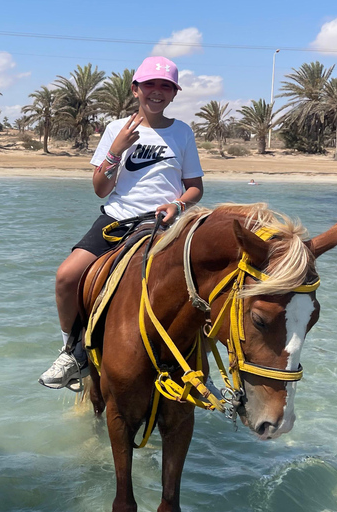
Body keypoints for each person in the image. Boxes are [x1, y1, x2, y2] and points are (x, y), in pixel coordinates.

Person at [39, 56, 204, 390]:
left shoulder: (182, 132)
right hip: (117, 220)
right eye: (150, 84)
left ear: (174, 93)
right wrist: (115, 151)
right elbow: (100, 188)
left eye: (166, 86)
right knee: (66, 276)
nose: (157, 91)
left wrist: (177, 204)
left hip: (165, 226)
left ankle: (201, 360)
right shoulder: (116, 129)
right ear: (135, 89)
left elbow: (195, 187)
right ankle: (71, 351)